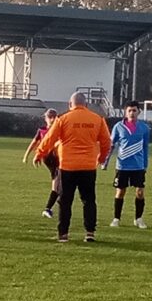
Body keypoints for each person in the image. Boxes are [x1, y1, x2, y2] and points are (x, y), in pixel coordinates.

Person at [34, 92, 111, 243]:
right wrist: (101, 158)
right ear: (86, 105)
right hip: (88, 167)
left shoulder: (63, 119)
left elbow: (49, 138)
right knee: (89, 200)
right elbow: (106, 142)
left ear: (70, 104)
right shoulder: (97, 119)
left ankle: (63, 234)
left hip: (68, 167)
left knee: (65, 201)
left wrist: (39, 153)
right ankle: (90, 233)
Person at [102, 100, 150, 229]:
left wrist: (145, 164)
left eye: (134, 110)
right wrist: (105, 161)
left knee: (140, 192)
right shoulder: (118, 127)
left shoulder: (144, 128)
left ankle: (138, 218)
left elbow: (145, 147)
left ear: (139, 112)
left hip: (138, 166)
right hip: (122, 166)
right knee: (120, 192)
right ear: (125, 112)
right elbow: (111, 145)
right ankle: (116, 218)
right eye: (129, 110)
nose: (132, 113)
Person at [23, 108, 60, 218]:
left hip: (58, 158)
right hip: (50, 158)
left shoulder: (58, 129)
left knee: (58, 183)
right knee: (57, 183)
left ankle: (51, 207)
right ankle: (48, 209)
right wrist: (26, 156)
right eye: (50, 118)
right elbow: (34, 143)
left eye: (54, 117)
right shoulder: (42, 130)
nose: (52, 120)